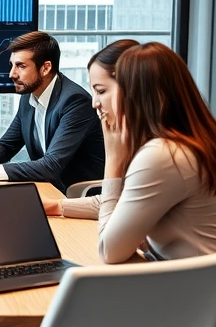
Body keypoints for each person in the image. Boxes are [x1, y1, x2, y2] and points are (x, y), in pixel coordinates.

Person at [96, 42, 216, 327]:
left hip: (208, 321)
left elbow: (109, 249)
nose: (97, 103)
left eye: (108, 90)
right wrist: (63, 206)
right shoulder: (199, 139)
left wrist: (113, 161)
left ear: (138, 95)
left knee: (82, 326)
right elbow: (130, 208)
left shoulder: (164, 155)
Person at [0, 31, 104, 191]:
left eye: (21, 66)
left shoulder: (75, 102)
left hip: (74, 194)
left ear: (45, 68)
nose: (12, 74)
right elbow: (6, 146)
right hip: (45, 187)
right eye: (12, 65)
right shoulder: (30, 95)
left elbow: (51, 165)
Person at [40, 39, 141, 219]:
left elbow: (110, 244)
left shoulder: (159, 156)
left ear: (132, 89)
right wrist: (55, 206)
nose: (94, 103)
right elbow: (112, 203)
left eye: (101, 91)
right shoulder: (142, 141)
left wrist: (113, 157)